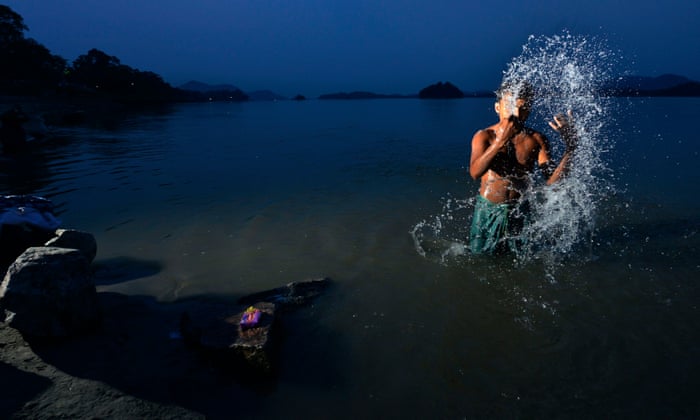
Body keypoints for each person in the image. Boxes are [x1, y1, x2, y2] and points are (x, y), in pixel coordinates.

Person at [468, 81, 577, 255]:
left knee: (520, 261)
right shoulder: (485, 136)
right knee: (479, 258)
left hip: (520, 211)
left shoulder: (537, 139)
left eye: (524, 107)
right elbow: (475, 172)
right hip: (487, 210)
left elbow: (552, 182)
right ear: (498, 107)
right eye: (511, 106)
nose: (517, 113)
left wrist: (571, 149)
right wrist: (500, 141)